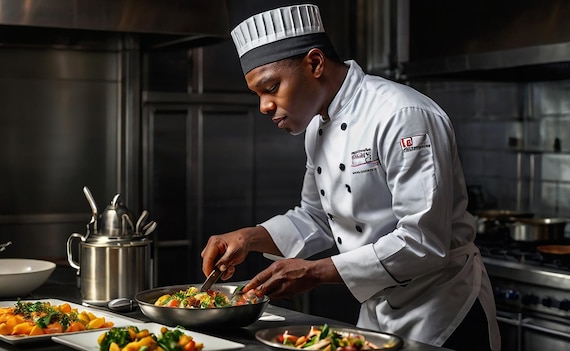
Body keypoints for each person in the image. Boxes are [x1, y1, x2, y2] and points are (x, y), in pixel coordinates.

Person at [201, 3, 500, 350]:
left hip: (444, 312)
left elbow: (422, 242)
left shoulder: (401, 115)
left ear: (314, 63)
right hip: (377, 313)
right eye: (258, 95)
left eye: (270, 88)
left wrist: (312, 273)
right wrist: (249, 238)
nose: (263, 107)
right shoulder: (316, 126)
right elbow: (316, 217)